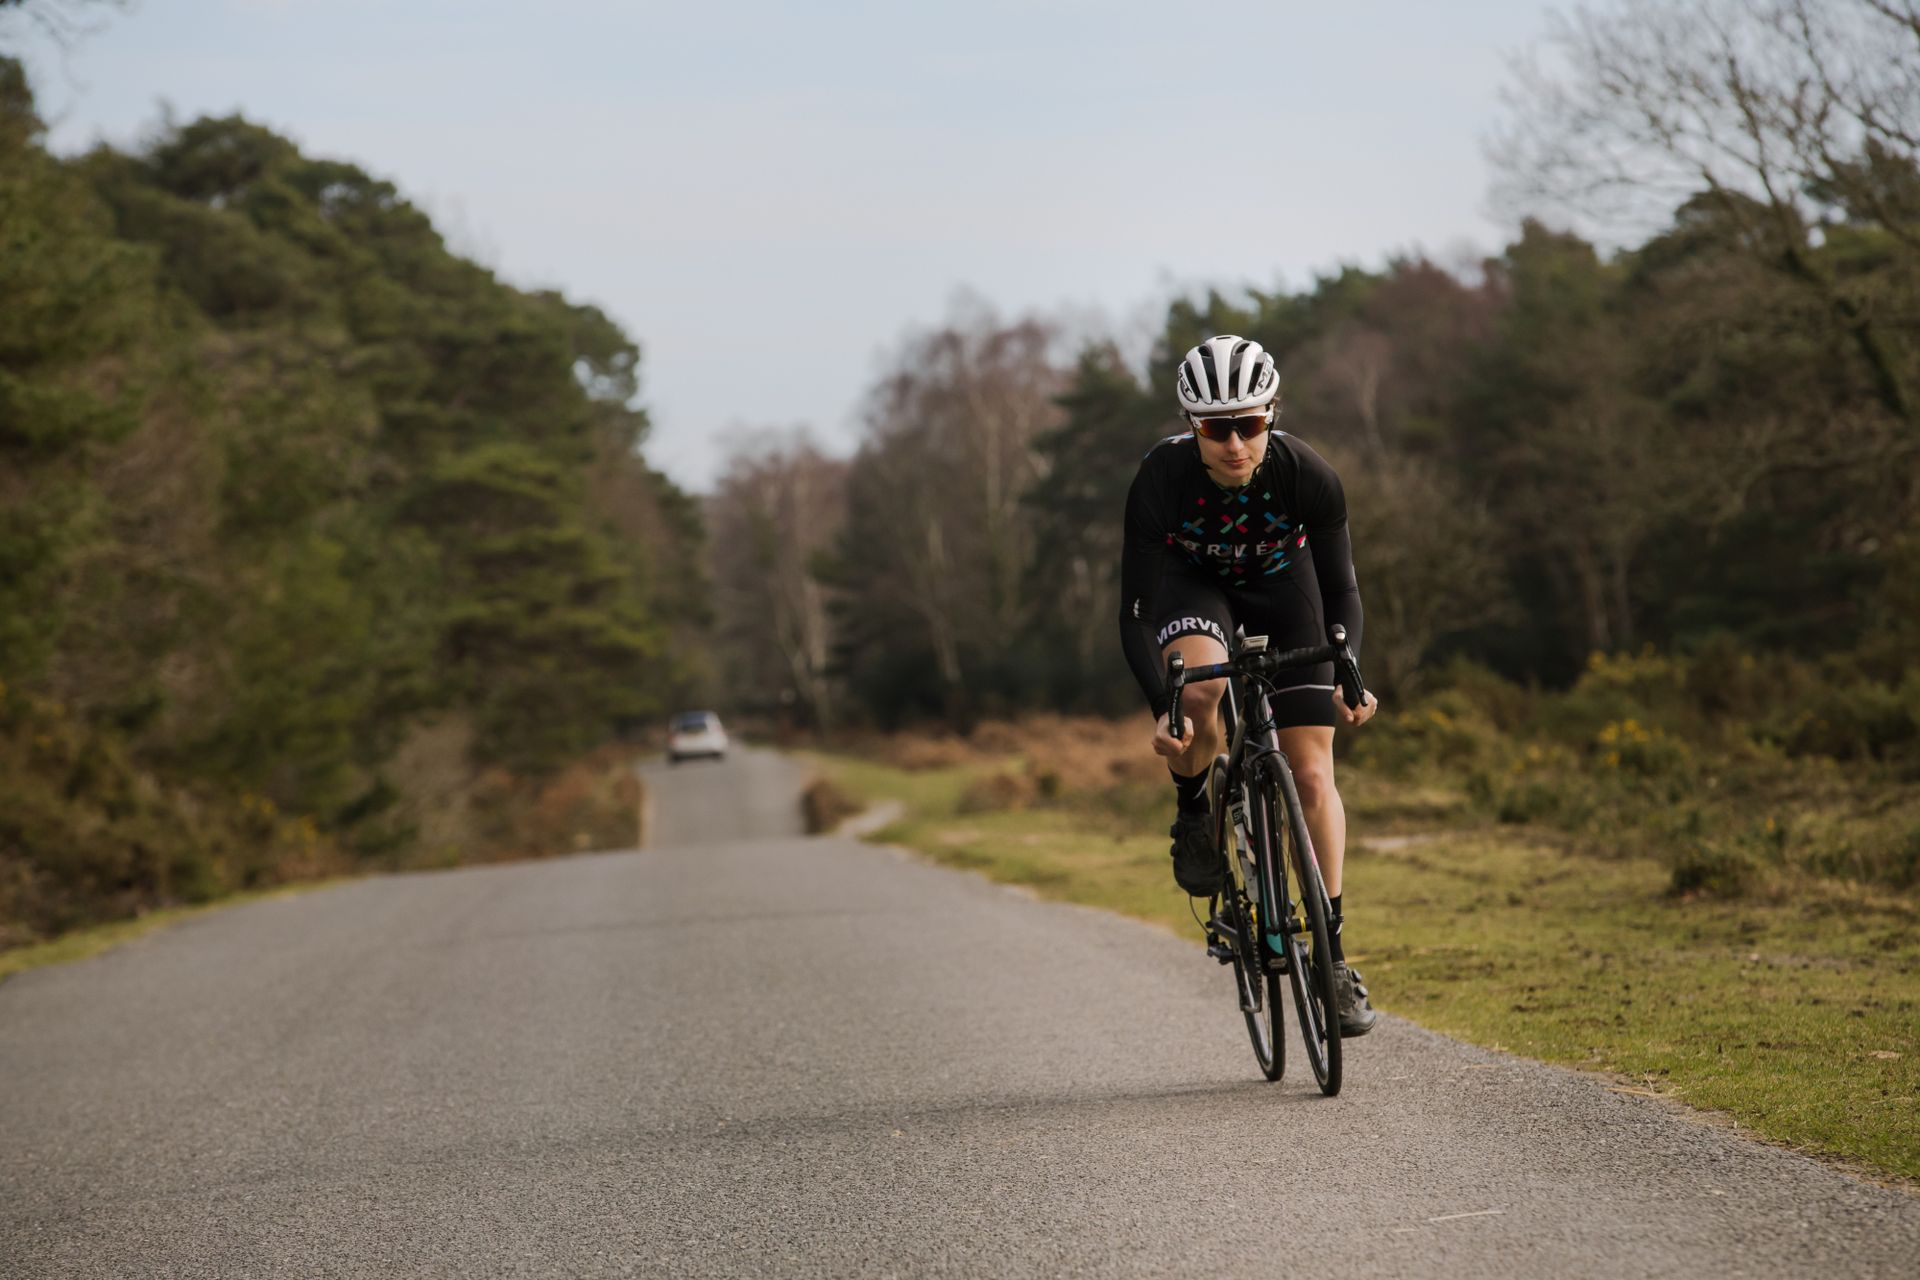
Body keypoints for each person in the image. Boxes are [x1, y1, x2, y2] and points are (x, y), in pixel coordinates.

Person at [1117, 334, 1381, 1036]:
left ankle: (1333, 953)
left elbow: (1342, 590)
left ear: (1272, 414)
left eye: (1250, 424)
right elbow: (1137, 613)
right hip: (1194, 587)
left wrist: (1350, 669)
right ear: (1189, 424)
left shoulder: (1307, 474)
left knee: (1314, 773)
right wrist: (1162, 705)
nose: (1235, 444)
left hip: (1282, 589)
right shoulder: (1161, 481)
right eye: (1215, 427)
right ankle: (1194, 812)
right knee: (1200, 695)